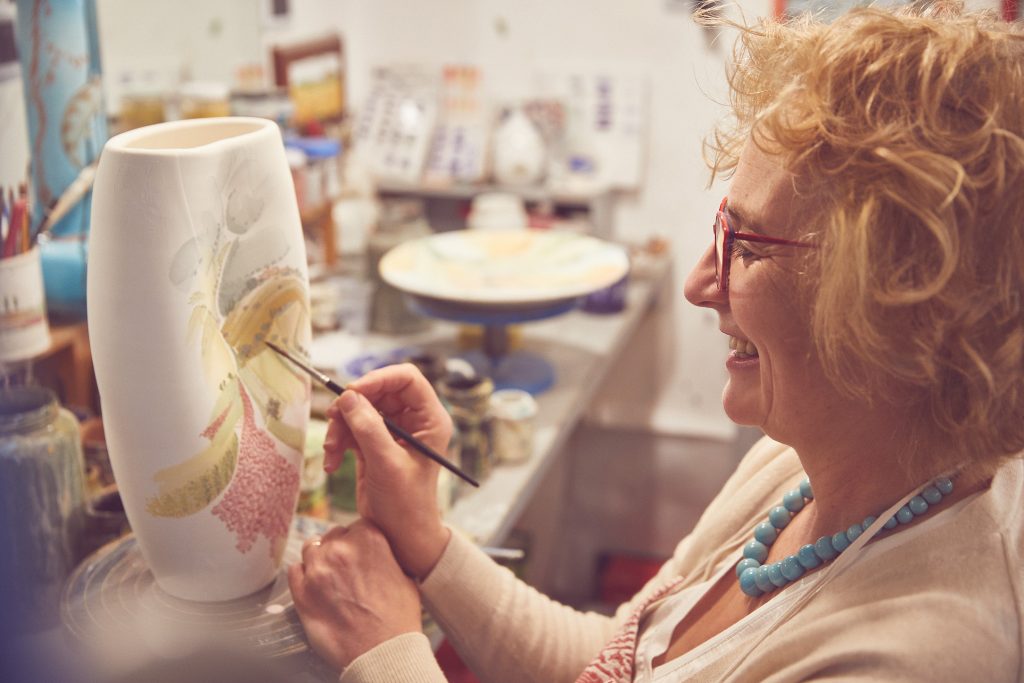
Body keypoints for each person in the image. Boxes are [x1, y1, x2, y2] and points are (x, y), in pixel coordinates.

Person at [289, 3, 1024, 681]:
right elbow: (620, 656)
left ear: (895, 306)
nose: (700, 283)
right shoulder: (798, 466)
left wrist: (386, 652)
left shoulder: (915, 656)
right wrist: (429, 539)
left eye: (748, 244)